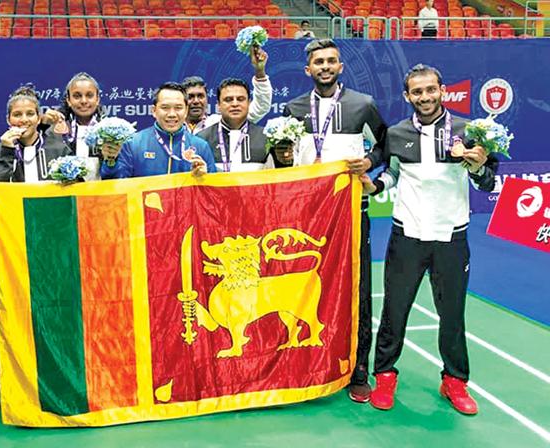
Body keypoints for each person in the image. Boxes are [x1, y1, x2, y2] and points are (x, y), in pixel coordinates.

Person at [364, 64, 496, 415]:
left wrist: (478, 165)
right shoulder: (396, 133)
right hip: (407, 235)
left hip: (451, 238)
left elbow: (487, 183)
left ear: (442, 90)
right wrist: (374, 186)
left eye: (430, 90)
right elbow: (392, 175)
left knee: (452, 315)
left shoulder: (470, 131)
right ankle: (386, 377)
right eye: (417, 92)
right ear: (408, 96)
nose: (424, 97)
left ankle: (454, 381)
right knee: (394, 312)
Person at [275, 38, 388, 404]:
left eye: (331, 61)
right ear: (307, 70)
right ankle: (304, 362)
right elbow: (282, 160)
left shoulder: (362, 105)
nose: (325, 67)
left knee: (357, 288)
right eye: (318, 62)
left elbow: (386, 144)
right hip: (305, 215)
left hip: (351, 211)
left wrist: (369, 163)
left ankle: (358, 370)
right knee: (300, 288)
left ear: (340, 67)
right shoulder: (293, 109)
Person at [100, 82, 215, 179]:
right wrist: (111, 162)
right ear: (154, 111)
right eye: (165, 108)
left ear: (186, 111)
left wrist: (205, 178)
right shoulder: (133, 144)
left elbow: (213, 193)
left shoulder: (201, 146)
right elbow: (116, 187)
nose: (172, 114)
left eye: (178, 108)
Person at [0, 85, 73, 182]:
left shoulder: (59, 149)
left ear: (38, 118)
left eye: (30, 114)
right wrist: (7, 152)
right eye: (17, 115)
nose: (24, 120)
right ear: (8, 120)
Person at [182, 46, 272, 134]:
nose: (196, 101)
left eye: (200, 96)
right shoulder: (173, 125)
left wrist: (260, 71)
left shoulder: (220, 123)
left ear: (207, 99)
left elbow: (261, 107)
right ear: (182, 100)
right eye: (191, 97)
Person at [198, 78, 274, 172]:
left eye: (240, 99)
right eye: (228, 100)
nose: (235, 104)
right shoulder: (202, 139)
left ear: (249, 103)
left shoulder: (266, 137)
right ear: (218, 105)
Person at [41, 72, 106, 181]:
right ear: (68, 100)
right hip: (65, 195)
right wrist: (42, 126)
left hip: (100, 195)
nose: (84, 101)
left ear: (97, 99)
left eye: (89, 95)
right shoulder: (55, 129)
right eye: (77, 96)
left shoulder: (108, 130)